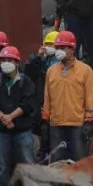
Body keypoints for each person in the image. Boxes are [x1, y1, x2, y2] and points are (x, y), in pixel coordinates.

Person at [0, 46, 36, 186]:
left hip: (22, 130)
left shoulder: (25, 81)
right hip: (2, 130)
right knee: (2, 165)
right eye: (4, 60)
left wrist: (11, 117)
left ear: (17, 62)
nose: (6, 63)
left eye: (10, 60)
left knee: (27, 162)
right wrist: (3, 117)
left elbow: (28, 104)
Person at [42, 31, 93, 162]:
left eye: (63, 47)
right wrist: (45, 120)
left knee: (80, 163)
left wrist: (89, 122)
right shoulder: (51, 71)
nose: (59, 51)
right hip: (56, 125)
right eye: (57, 48)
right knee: (57, 163)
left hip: (77, 124)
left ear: (72, 49)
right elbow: (47, 97)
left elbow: (90, 96)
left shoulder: (85, 70)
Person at [24, 30, 59, 161]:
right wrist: (38, 59)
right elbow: (29, 75)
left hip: (58, 105)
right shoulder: (40, 62)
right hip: (42, 105)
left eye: (52, 45)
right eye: (47, 44)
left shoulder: (62, 63)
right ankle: (44, 157)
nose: (49, 47)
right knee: (43, 134)